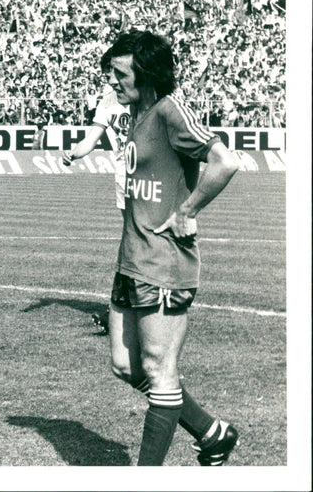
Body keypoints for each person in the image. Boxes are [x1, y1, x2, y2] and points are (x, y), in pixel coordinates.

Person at [104, 29, 240, 466]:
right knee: (127, 367)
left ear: (145, 75)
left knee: (161, 372)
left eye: (119, 73)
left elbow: (226, 160)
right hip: (132, 260)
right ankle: (211, 432)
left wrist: (188, 209)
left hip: (163, 263)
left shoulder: (169, 111)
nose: (112, 81)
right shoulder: (136, 116)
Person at [62, 48, 130, 334]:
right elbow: (92, 137)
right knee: (131, 241)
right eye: (109, 75)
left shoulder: (142, 96)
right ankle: (125, 309)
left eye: (116, 74)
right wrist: (74, 153)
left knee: (138, 243)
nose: (112, 80)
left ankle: (125, 309)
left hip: (149, 174)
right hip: (124, 174)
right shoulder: (108, 100)